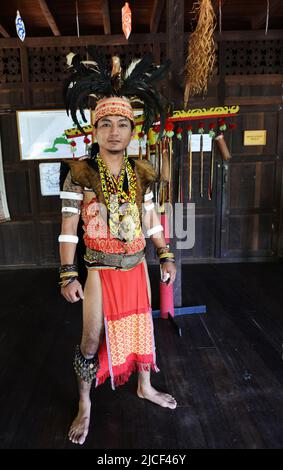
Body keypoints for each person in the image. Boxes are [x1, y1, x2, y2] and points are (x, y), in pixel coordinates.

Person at [58, 47, 177, 445]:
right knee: (91, 339)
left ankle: (144, 384)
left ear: (132, 130)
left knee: (144, 331)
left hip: (135, 267)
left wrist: (164, 253)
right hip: (100, 269)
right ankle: (85, 404)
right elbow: (69, 229)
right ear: (95, 130)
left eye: (121, 124)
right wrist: (66, 273)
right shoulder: (80, 174)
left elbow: (150, 219)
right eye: (105, 123)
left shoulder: (141, 172)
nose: (114, 131)